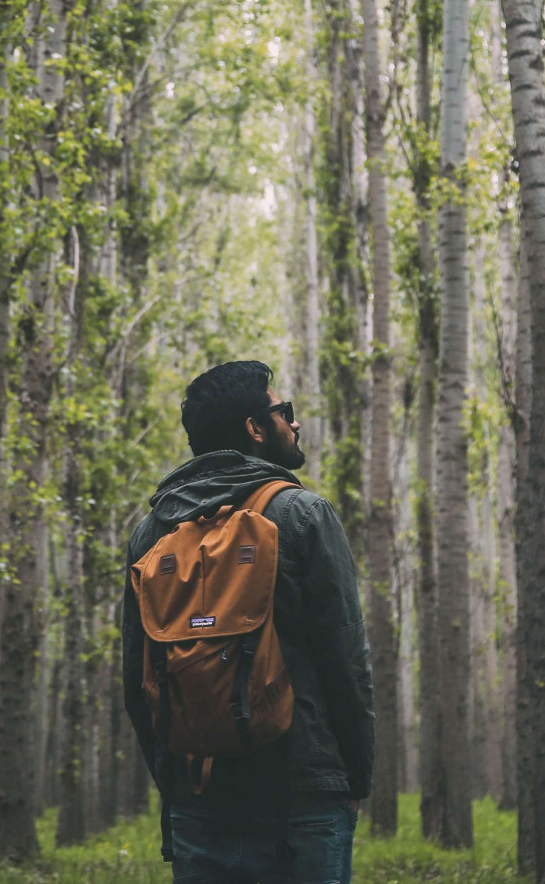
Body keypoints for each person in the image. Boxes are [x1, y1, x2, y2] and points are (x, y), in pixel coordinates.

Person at [122, 360, 375, 884]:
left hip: (201, 791)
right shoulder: (303, 515)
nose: (295, 422)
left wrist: (173, 787)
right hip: (303, 790)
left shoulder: (151, 535)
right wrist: (352, 778)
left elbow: (137, 681)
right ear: (256, 429)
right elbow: (346, 660)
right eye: (284, 411)